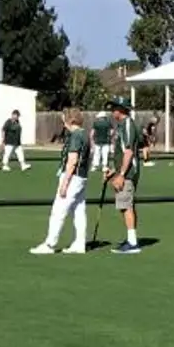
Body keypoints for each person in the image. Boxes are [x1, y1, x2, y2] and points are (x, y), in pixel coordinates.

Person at [30, 110, 93, 255]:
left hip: (73, 177)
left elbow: (72, 160)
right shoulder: (85, 134)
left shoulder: (76, 135)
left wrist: (65, 183)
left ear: (71, 121)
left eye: (65, 121)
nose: (64, 124)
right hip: (81, 177)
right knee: (79, 210)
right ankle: (80, 243)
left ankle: (50, 244)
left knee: (59, 210)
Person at [107, 98, 145, 254]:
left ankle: (132, 243)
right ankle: (131, 239)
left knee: (125, 205)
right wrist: (113, 171)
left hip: (128, 172)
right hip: (124, 171)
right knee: (126, 205)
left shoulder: (127, 124)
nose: (112, 111)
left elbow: (128, 151)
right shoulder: (122, 125)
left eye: (114, 108)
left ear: (121, 110)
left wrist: (121, 174)